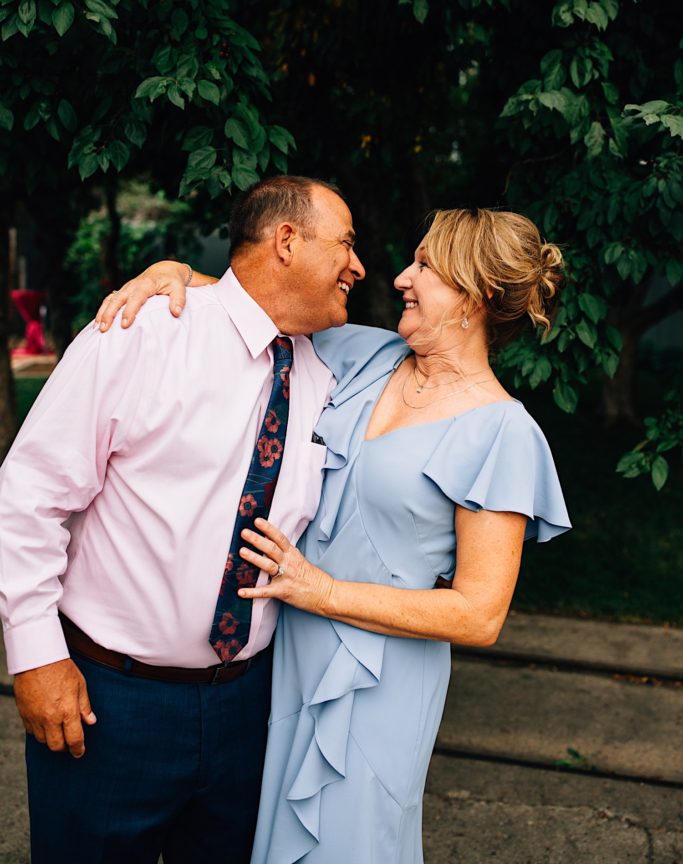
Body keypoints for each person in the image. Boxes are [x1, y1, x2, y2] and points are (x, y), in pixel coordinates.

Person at [99, 206, 571, 864]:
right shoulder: (361, 353)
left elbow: (479, 614)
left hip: (379, 683)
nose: (402, 277)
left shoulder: (502, 434)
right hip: (279, 661)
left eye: (426, 266)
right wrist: (175, 272)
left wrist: (321, 592)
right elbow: (256, 303)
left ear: (478, 295)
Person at [0, 175, 365, 864]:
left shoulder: (331, 372)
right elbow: (29, 495)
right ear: (286, 240)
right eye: (345, 244)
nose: (359, 266)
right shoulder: (141, 334)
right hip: (109, 702)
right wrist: (36, 656)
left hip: (250, 706)